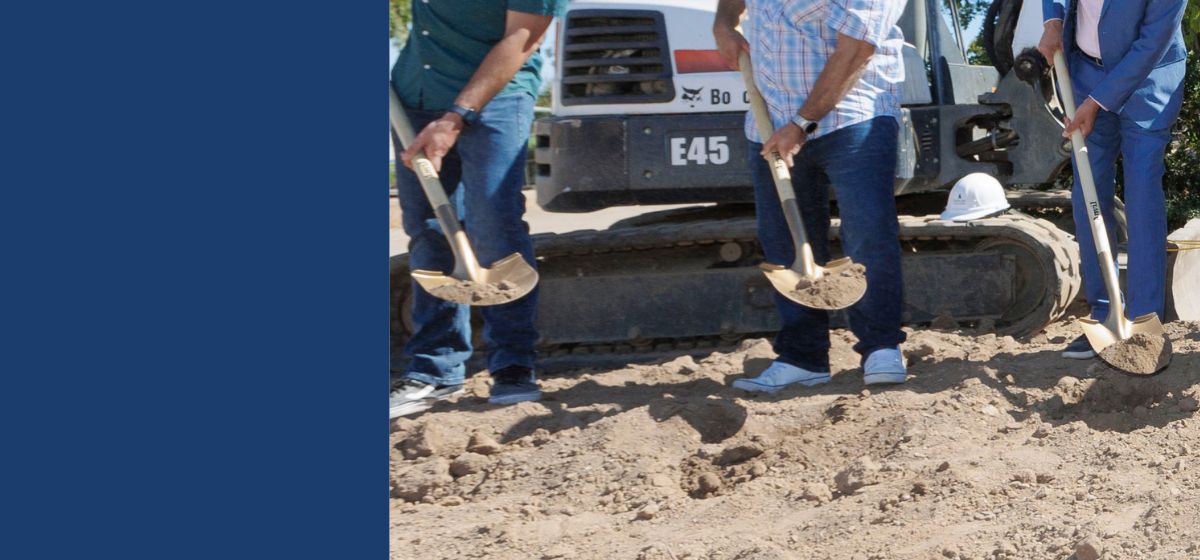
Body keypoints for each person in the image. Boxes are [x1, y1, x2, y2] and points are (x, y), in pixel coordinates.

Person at [713, 0, 909, 392]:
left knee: (868, 235)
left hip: (853, 116)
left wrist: (801, 124)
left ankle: (881, 347)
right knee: (784, 243)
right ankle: (803, 357)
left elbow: (856, 48)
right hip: (769, 119)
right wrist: (724, 23)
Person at [389, 0, 566, 419]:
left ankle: (513, 365)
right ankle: (433, 370)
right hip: (415, 95)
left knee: (495, 225)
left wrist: (455, 118)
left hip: (495, 98)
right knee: (429, 230)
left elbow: (521, 37)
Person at [1036, 0, 1187, 360]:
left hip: (1150, 79)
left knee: (1142, 191)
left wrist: (1097, 102)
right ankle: (1105, 314)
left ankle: (1143, 323)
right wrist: (1053, 21)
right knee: (1086, 191)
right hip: (1086, 71)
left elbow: (1153, 41)